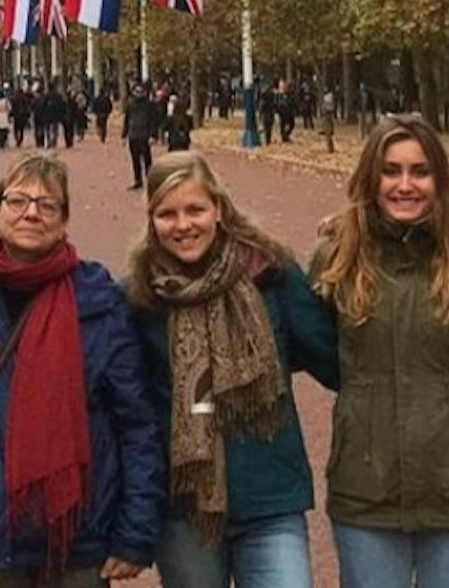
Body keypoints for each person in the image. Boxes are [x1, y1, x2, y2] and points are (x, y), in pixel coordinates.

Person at [0, 154, 164, 585]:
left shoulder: (99, 300)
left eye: (48, 205)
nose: (31, 212)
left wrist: (135, 532)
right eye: (18, 200)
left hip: (79, 534)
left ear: (64, 220)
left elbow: (137, 423)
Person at [128, 153, 338, 587]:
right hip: (187, 511)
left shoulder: (271, 275)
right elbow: (129, 410)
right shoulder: (140, 298)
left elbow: (338, 360)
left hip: (270, 498)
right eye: (167, 214)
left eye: (195, 209)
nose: (183, 225)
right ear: (152, 220)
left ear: (218, 209)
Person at [311, 114, 449, 588]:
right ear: (371, 178)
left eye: (420, 171)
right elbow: (317, 351)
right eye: (391, 171)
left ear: (440, 177)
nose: (405, 185)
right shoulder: (336, 258)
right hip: (366, 491)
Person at [122, 85, 153, 190]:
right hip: (133, 135)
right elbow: (126, 119)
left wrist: (153, 134)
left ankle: (150, 180)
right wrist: (124, 134)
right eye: (136, 92)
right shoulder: (130, 104)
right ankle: (138, 180)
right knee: (135, 160)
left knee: (147, 159)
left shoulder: (148, 104)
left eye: (140, 92)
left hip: (144, 135)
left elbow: (153, 120)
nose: (138, 94)